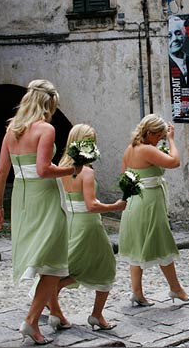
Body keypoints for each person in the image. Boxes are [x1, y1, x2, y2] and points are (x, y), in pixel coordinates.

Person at [0, 79, 81, 345]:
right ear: (49, 103)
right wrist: (72, 169)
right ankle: (31, 321)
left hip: (22, 196)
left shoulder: (11, 131)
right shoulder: (45, 129)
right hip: (44, 195)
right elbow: (43, 169)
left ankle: (56, 313)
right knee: (52, 264)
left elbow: (1, 171)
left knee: (44, 257)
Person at [47, 124, 127, 330]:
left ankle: (56, 312)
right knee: (106, 267)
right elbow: (91, 205)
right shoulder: (86, 172)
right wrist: (115, 206)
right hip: (88, 225)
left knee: (68, 267)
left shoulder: (60, 168)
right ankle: (96, 315)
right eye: (92, 142)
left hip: (68, 222)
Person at [118, 114, 189, 305]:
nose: (160, 138)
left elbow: (124, 178)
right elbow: (174, 161)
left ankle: (137, 292)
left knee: (137, 246)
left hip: (135, 201)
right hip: (149, 202)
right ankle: (176, 289)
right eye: (159, 135)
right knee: (162, 243)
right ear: (149, 133)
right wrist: (171, 140)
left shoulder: (130, 149)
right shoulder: (146, 150)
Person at [168, 15, 189, 89]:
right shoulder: (166, 64)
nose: (174, 39)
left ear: (184, 35)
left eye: (178, 33)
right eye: (169, 36)